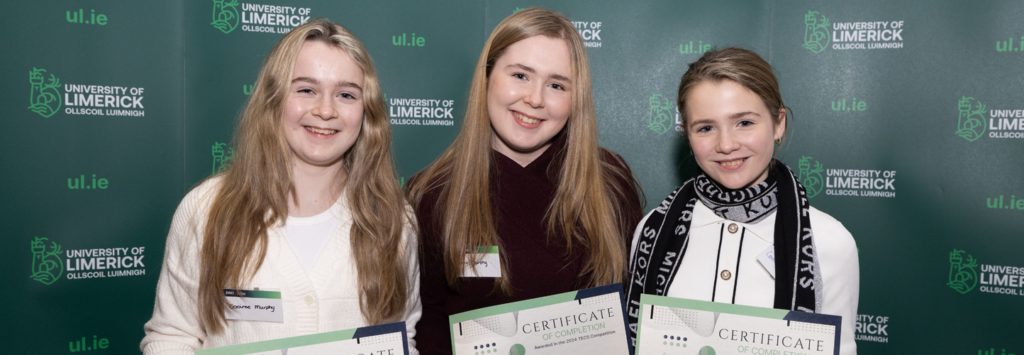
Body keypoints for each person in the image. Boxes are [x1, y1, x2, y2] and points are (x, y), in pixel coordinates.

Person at [140, 19, 420, 354]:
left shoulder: (393, 221)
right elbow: (171, 337)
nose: (325, 110)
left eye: (346, 94)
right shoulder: (206, 209)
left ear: (366, 111)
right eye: (305, 89)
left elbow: (401, 338)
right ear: (273, 98)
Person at [405, 7, 643, 355]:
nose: (535, 98)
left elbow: (633, 311)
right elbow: (428, 322)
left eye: (557, 85)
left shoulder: (611, 182)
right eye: (520, 75)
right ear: (487, 77)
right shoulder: (431, 194)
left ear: (576, 99)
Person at [626, 48, 859, 354]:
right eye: (706, 128)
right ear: (687, 135)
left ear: (778, 124)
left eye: (745, 123)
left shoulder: (828, 241)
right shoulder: (652, 231)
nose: (726, 145)